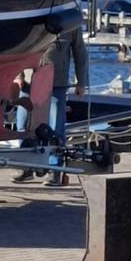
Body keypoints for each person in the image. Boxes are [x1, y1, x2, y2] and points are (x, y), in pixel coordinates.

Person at [42, 26, 88, 187]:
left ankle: (54, 169)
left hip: (58, 82)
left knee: (56, 126)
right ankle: (25, 166)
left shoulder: (71, 22)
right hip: (31, 80)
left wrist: (81, 82)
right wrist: (18, 76)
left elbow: (80, 52)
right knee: (24, 123)